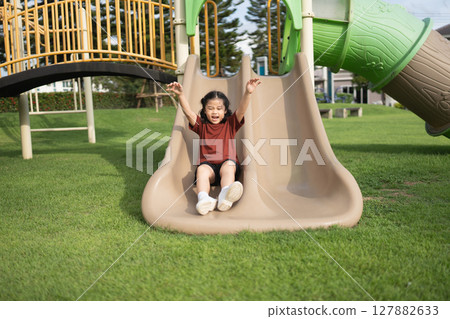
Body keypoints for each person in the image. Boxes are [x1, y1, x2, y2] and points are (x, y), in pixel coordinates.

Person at [167, 78, 261, 215]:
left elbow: (241, 110)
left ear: (225, 112)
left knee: (229, 166)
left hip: (226, 165)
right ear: (204, 111)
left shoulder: (230, 124)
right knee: (201, 171)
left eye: (219, 109)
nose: (215, 112)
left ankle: (225, 193)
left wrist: (248, 93)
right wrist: (181, 95)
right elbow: (188, 113)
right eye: (210, 108)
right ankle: (204, 199)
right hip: (209, 167)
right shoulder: (201, 126)